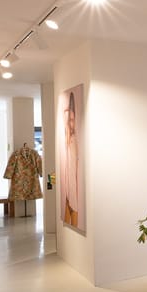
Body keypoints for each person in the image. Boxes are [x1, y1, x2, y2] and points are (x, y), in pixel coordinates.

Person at [61, 91, 80, 228]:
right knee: (68, 202)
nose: (70, 123)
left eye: (72, 120)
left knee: (73, 204)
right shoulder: (67, 140)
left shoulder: (74, 140)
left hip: (73, 176)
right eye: (69, 121)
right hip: (68, 176)